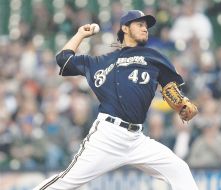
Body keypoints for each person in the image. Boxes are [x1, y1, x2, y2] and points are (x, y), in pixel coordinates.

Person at [34, 10, 198, 190]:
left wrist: (182, 104)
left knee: (179, 169)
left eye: (146, 26)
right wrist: (80, 34)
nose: (145, 29)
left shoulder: (153, 56)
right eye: (140, 25)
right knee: (65, 183)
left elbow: (172, 88)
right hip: (107, 136)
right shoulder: (102, 61)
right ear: (125, 28)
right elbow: (64, 60)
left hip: (137, 139)